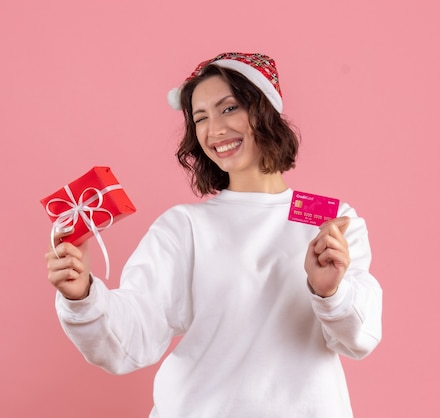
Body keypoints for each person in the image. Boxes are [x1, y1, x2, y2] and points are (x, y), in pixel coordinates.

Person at [45, 52, 383, 418]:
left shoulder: (330, 220)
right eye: (200, 118)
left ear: (265, 110)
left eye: (228, 108)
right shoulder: (184, 226)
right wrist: (83, 297)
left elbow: (359, 339)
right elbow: (129, 339)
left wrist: (329, 292)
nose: (213, 130)